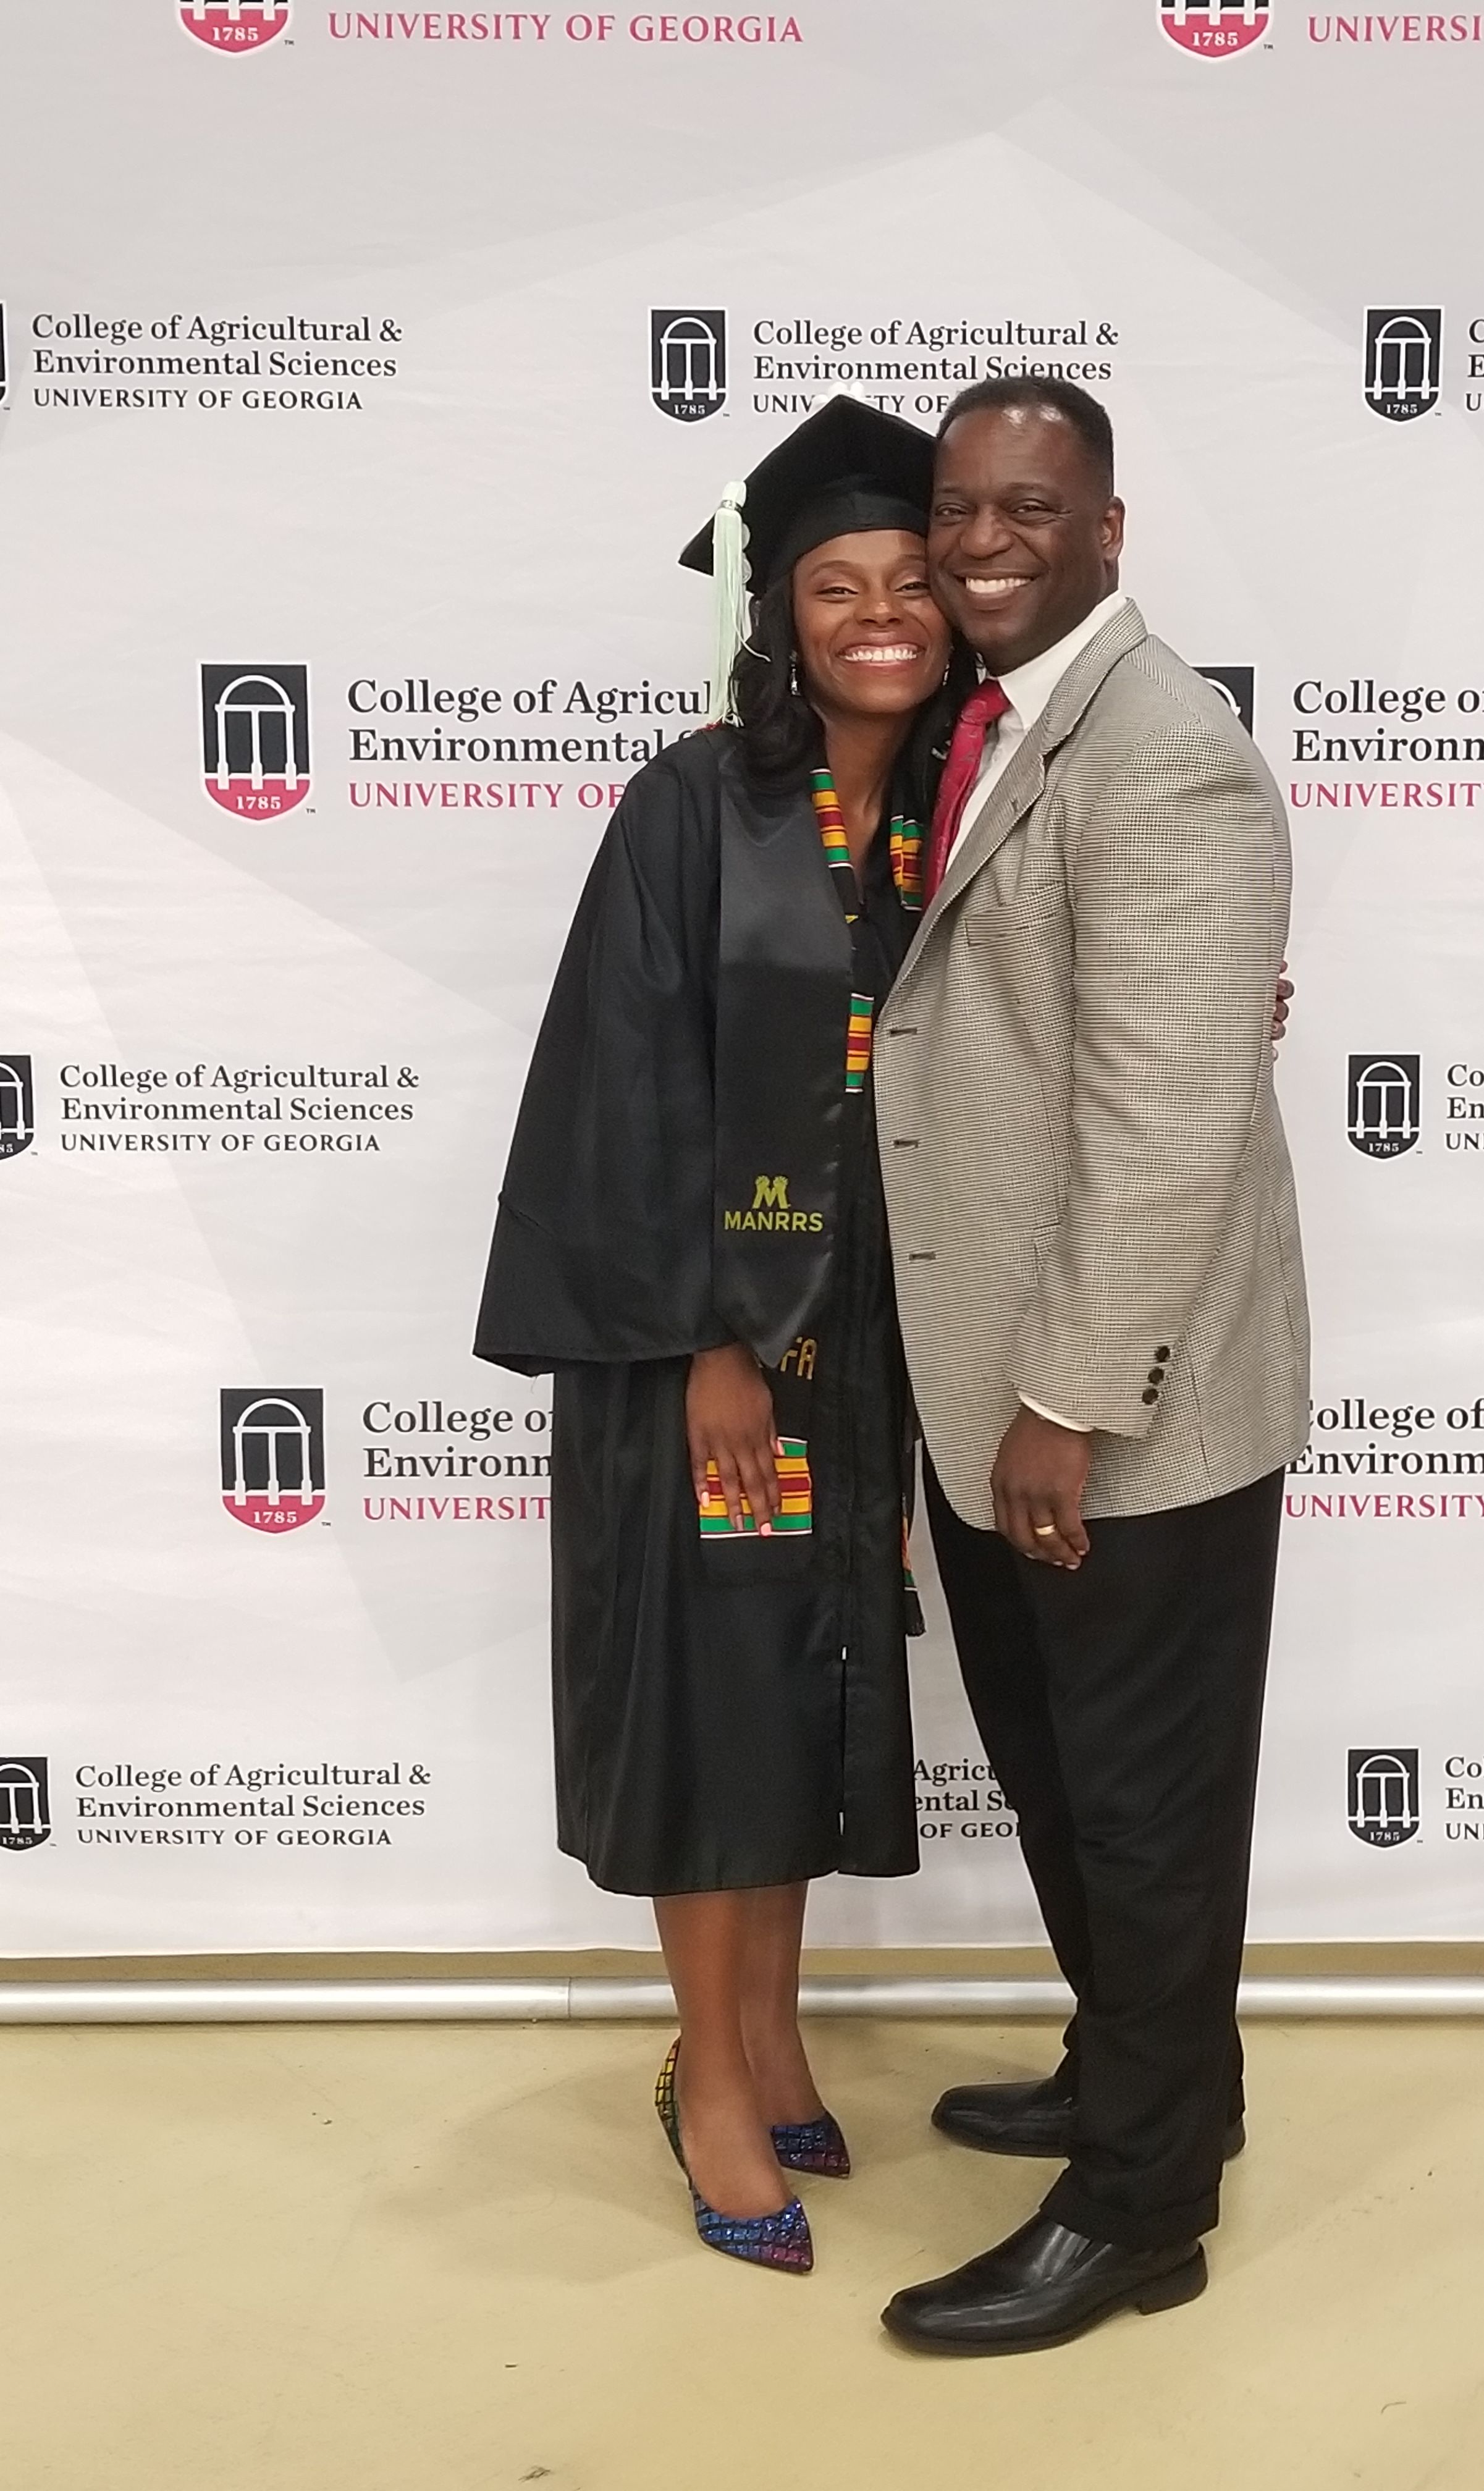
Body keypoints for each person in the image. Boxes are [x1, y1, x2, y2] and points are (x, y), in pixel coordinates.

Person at [474, 398, 964, 2276]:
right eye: (834, 585)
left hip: (851, 1346)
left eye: (909, 580)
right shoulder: (696, 801)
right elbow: (629, 1089)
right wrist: (710, 1344)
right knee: (709, 1710)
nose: (877, 614)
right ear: (781, 614)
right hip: (698, 1358)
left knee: (791, 1699)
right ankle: (712, 2082)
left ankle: (767, 2030)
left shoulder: (946, 811)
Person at [872, 377, 1309, 2353]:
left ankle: (1139, 2210)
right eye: (960, 504)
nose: (981, 541)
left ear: (1109, 531)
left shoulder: (1162, 756)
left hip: (1115, 1407)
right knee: (1065, 1784)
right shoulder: (996, 727)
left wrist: (1068, 1397)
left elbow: (1161, 1119)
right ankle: (1149, 2080)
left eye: (1029, 509)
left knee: (1138, 1804)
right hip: (1000, 1392)